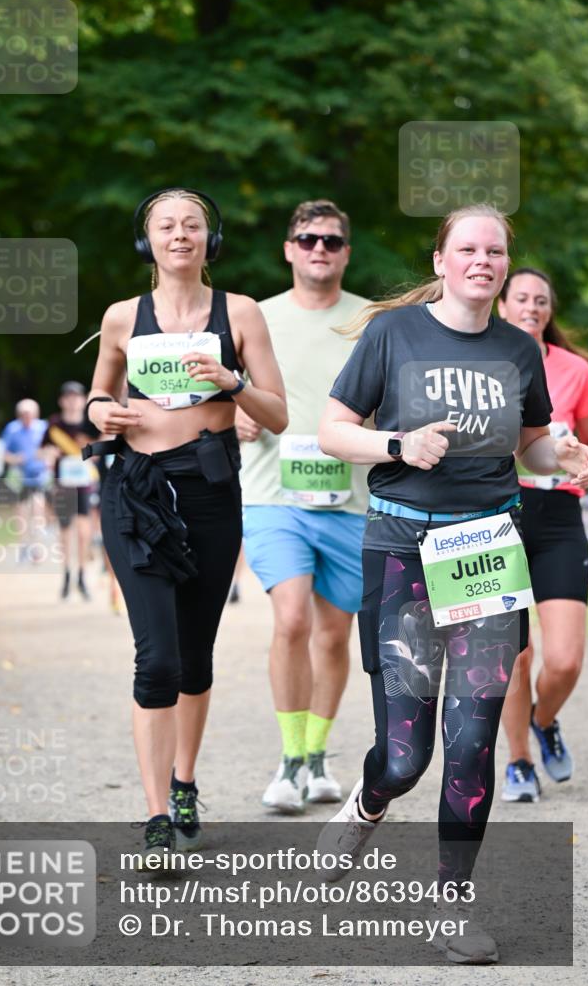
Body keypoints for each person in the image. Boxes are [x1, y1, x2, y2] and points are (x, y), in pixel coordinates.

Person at [316, 204, 588, 964]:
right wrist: (398, 442)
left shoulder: (517, 348)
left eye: (494, 250)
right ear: (440, 261)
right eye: (466, 248)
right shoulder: (392, 335)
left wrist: (561, 459)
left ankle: (451, 904)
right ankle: (369, 801)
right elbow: (332, 428)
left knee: (471, 745)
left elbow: (531, 443)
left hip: (486, 551)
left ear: (505, 265)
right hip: (402, 546)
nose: (482, 260)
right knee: (404, 759)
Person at [85, 188, 287, 857]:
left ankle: (184, 782)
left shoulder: (241, 312)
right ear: (148, 241)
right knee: (157, 660)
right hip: (135, 492)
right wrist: (100, 414)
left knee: (194, 659)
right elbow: (97, 393)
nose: (179, 235)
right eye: (166, 226)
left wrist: (230, 383)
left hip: (208, 488)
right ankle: (154, 818)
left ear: (209, 238)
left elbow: (277, 413)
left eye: (191, 225)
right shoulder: (121, 316)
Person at [237, 199, 370, 813]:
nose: (320, 248)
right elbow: (217, 391)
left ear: (346, 252)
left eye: (332, 241)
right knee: (291, 619)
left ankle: (318, 756)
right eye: (308, 239)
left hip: (351, 498)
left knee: (334, 637)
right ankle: (289, 761)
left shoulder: (375, 320)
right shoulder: (255, 317)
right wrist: (234, 412)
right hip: (272, 494)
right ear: (289, 249)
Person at [497, 269, 588, 802]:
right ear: (503, 306)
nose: (532, 306)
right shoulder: (482, 362)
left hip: (558, 516)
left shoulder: (576, 370)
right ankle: (517, 763)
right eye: (523, 298)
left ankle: (544, 718)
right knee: (514, 655)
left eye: (541, 300)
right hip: (498, 514)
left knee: (564, 659)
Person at [40, 381, 98, 601]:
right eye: (68, 397)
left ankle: (82, 575)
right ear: (62, 401)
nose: (73, 401)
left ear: (83, 400)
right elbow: (42, 451)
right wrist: (48, 453)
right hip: (62, 484)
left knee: (84, 530)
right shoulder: (54, 425)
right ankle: (66, 573)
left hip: (84, 483)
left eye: (76, 397)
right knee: (65, 530)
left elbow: (101, 447)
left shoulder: (90, 423)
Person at [2, 399, 48, 562]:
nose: (26, 416)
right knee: (22, 512)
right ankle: (23, 546)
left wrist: (46, 457)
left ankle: (37, 548)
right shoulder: (12, 429)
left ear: (36, 414)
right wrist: (15, 458)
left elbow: (52, 449)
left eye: (29, 413)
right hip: (20, 476)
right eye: (23, 414)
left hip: (39, 475)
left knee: (38, 511)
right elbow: (4, 454)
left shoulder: (43, 427)